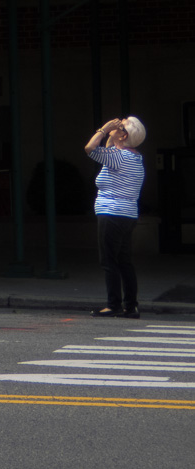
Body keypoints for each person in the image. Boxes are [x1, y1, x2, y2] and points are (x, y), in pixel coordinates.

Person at [85, 116, 147, 319]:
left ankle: (113, 305)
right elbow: (110, 148)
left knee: (109, 261)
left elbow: (90, 149)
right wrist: (114, 134)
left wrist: (103, 129)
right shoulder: (134, 157)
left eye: (120, 126)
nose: (115, 126)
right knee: (124, 261)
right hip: (127, 215)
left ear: (124, 135)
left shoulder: (118, 157)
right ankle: (131, 306)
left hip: (111, 213)